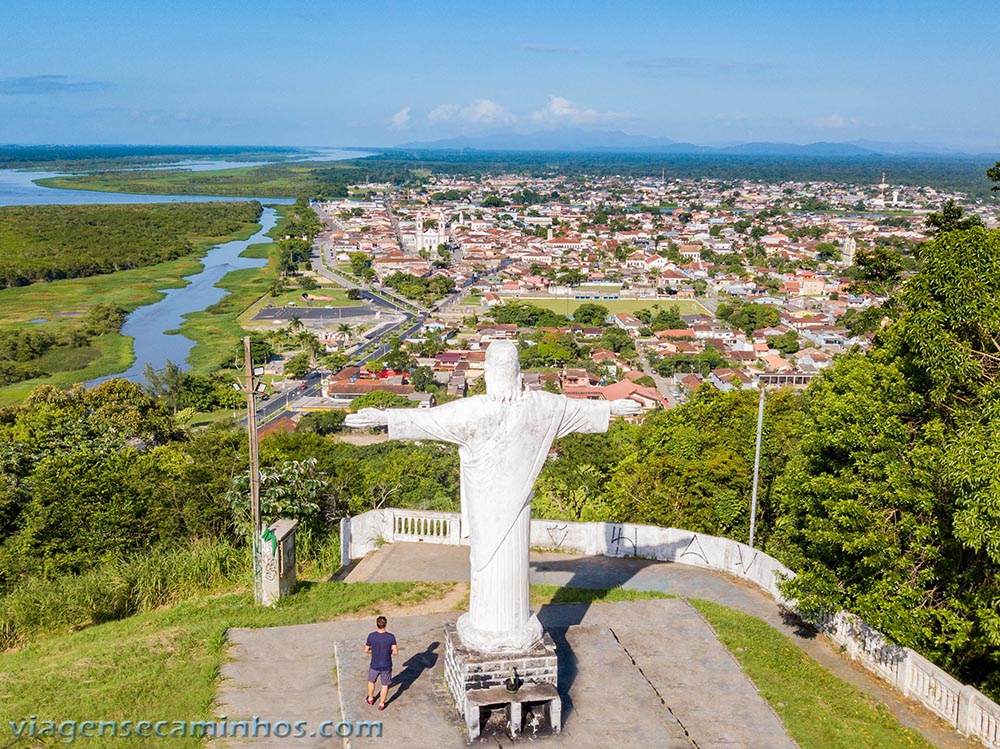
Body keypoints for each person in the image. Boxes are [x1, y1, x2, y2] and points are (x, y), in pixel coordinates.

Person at [346, 341, 640, 653]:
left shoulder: (479, 411)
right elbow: (578, 411)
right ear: (518, 375)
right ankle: (501, 627)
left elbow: (427, 420)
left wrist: (383, 417)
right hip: (499, 512)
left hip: (493, 510)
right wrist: (611, 408)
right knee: (492, 568)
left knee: (490, 568)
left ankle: (498, 628)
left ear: (487, 374)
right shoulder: (541, 407)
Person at [365, 616, 398, 710]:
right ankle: (381, 704)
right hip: (386, 665)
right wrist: (388, 651)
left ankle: (370, 698)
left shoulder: (371, 636)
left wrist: (373, 651)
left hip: (374, 664)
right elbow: (395, 652)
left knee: (371, 681)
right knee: (385, 685)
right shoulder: (391, 637)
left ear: (377, 624)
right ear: (386, 624)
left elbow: (366, 650)